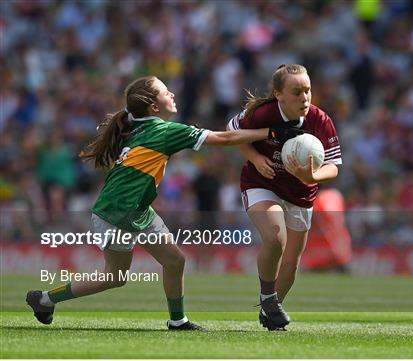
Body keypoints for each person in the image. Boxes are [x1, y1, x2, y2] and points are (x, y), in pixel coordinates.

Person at [26, 75, 294, 331]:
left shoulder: (143, 127)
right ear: (154, 106)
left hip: (134, 210)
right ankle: (45, 299)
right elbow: (224, 138)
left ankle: (177, 321)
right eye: (167, 92)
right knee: (116, 276)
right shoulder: (163, 130)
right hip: (118, 212)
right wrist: (270, 133)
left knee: (173, 261)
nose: (173, 94)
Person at [227, 64, 342, 330]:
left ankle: (271, 311)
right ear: (278, 94)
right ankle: (268, 298)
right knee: (275, 236)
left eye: (308, 90)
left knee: (291, 264)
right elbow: (233, 134)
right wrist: (255, 158)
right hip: (262, 182)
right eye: (296, 92)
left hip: (301, 193)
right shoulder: (262, 114)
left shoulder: (320, 120)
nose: (304, 98)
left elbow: (334, 166)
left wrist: (312, 176)